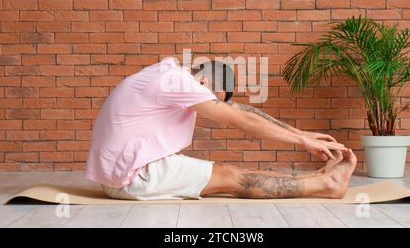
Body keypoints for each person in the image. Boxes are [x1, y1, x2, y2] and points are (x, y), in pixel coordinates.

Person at [85, 57, 356, 201]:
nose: (214, 106)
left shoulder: (168, 76)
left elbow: (241, 111)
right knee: (228, 176)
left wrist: (301, 134)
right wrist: (302, 143)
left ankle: (317, 180)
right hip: (129, 178)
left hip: (123, 172)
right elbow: (241, 121)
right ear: (203, 80)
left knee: (224, 174)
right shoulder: (175, 80)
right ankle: (326, 184)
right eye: (214, 97)